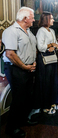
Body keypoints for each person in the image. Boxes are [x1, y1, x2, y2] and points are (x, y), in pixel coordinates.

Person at [2, 7, 37, 137]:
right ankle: (11, 128)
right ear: (25, 18)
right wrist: (24, 66)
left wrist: (32, 63)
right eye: (32, 17)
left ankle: (23, 120)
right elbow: (10, 54)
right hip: (16, 69)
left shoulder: (28, 31)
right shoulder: (11, 31)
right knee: (18, 98)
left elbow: (32, 47)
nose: (34, 19)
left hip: (28, 68)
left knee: (27, 97)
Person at [36, 11, 58, 114]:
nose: (53, 20)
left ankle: (52, 102)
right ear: (46, 20)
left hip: (52, 58)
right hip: (44, 60)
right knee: (46, 83)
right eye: (51, 18)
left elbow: (57, 44)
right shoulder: (41, 31)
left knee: (53, 81)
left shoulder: (52, 31)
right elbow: (40, 47)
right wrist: (50, 45)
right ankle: (45, 105)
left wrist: (53, 45)